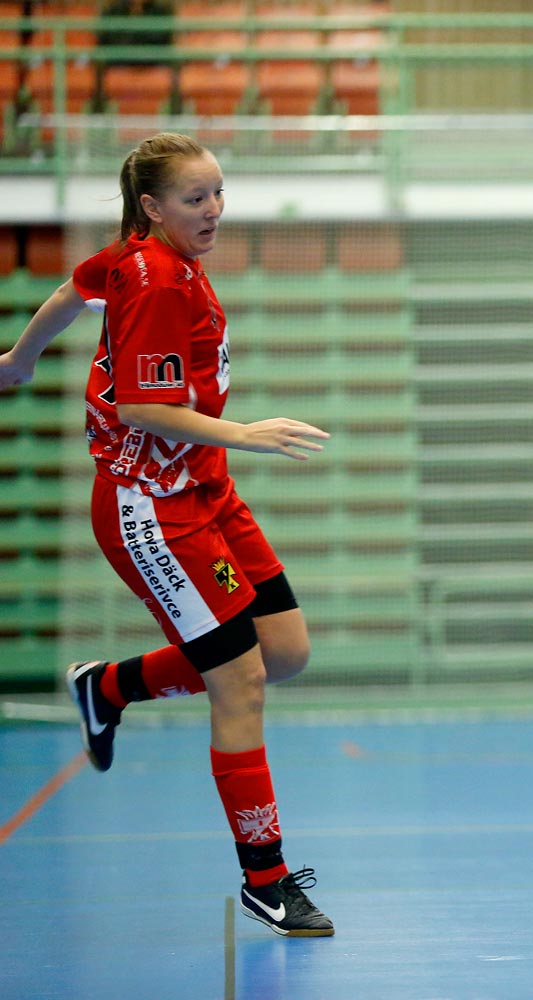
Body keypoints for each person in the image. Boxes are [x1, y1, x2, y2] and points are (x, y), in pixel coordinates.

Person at [0, 132, 335, 937]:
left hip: (205, 490)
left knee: (284, 651)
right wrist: (248, 433)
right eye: (196, 198)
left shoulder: (132, 257)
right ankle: (266, 877)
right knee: (241, 681)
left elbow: (72, 290)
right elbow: (141, 409)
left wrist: (20, 356)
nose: (214, 209)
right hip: (153, 507)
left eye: (219, 192)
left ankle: (108, 687)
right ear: (154, 207)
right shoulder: (153, 279)